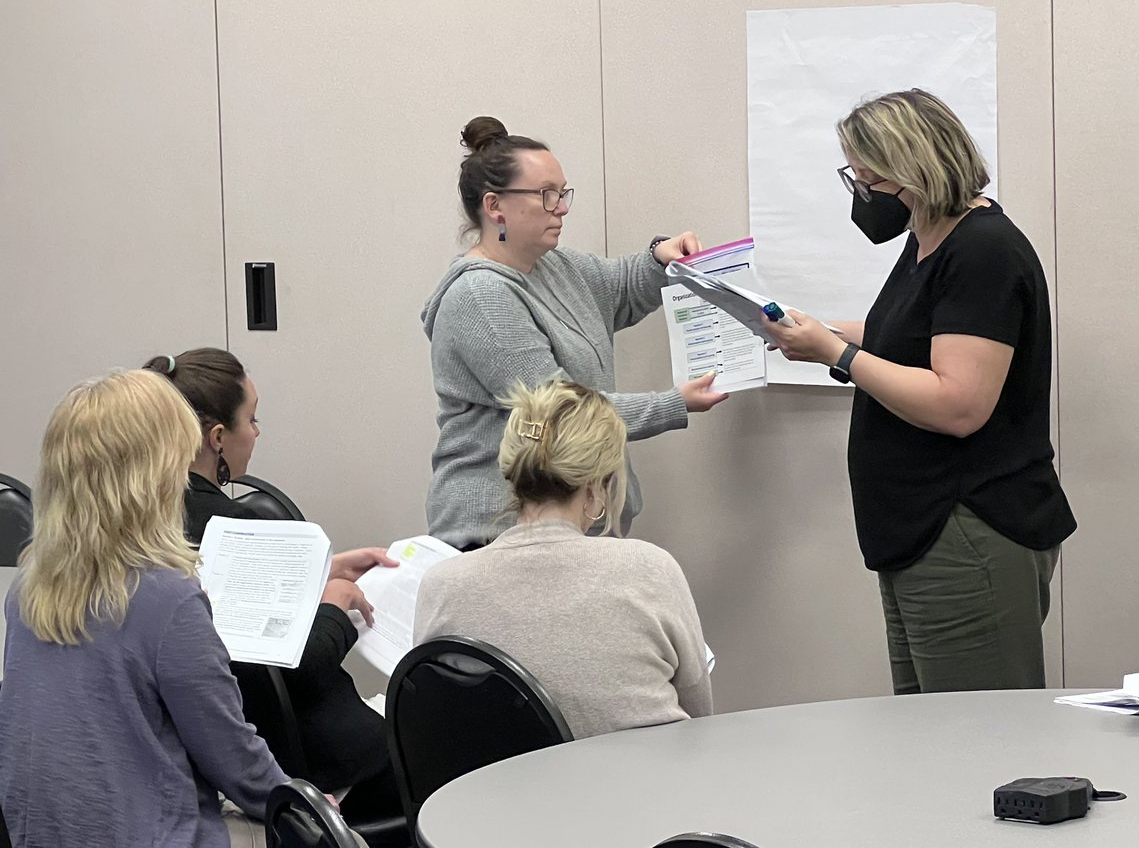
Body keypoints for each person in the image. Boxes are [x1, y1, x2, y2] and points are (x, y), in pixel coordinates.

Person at [763, 88, 1076, 694]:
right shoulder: (930, 237)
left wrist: (838, 355)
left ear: (913, 170)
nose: (859, 190)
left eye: (865, 176)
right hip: (920, 527)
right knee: (928, 736)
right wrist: (811, 328)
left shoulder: (983, 250)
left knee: (977, 739)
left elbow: (958, 404)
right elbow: (910, 337)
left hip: (968, 525)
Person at [0, 369, 288, 846]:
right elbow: (234, 759)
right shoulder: (167, 599)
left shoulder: (28, 588)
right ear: (152, 475)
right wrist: (299, 801)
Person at [422, 115, 728, 550]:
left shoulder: (555, 266)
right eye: (547, 196)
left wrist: (662, 258)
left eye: (562, 193)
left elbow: (621, 286)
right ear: (495, 207)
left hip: (567, 531)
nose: (561, 207)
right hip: (500, 536)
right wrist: (673, 404)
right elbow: (560, 416)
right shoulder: (479, 296)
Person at [144, 348, 399, 819]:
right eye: (252, 419)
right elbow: (285, 669)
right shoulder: (231, 528)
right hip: (300, 762)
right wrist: (334, 607)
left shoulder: (151, 521)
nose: (257, 433)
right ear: (218, 437)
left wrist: (321, 571)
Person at [413, 379, 712, 739]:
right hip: (645, 790)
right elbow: (700, 717)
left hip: (501, 793)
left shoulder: (442, 585)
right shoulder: (650, 569)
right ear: (597, 484)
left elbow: (435, 723)